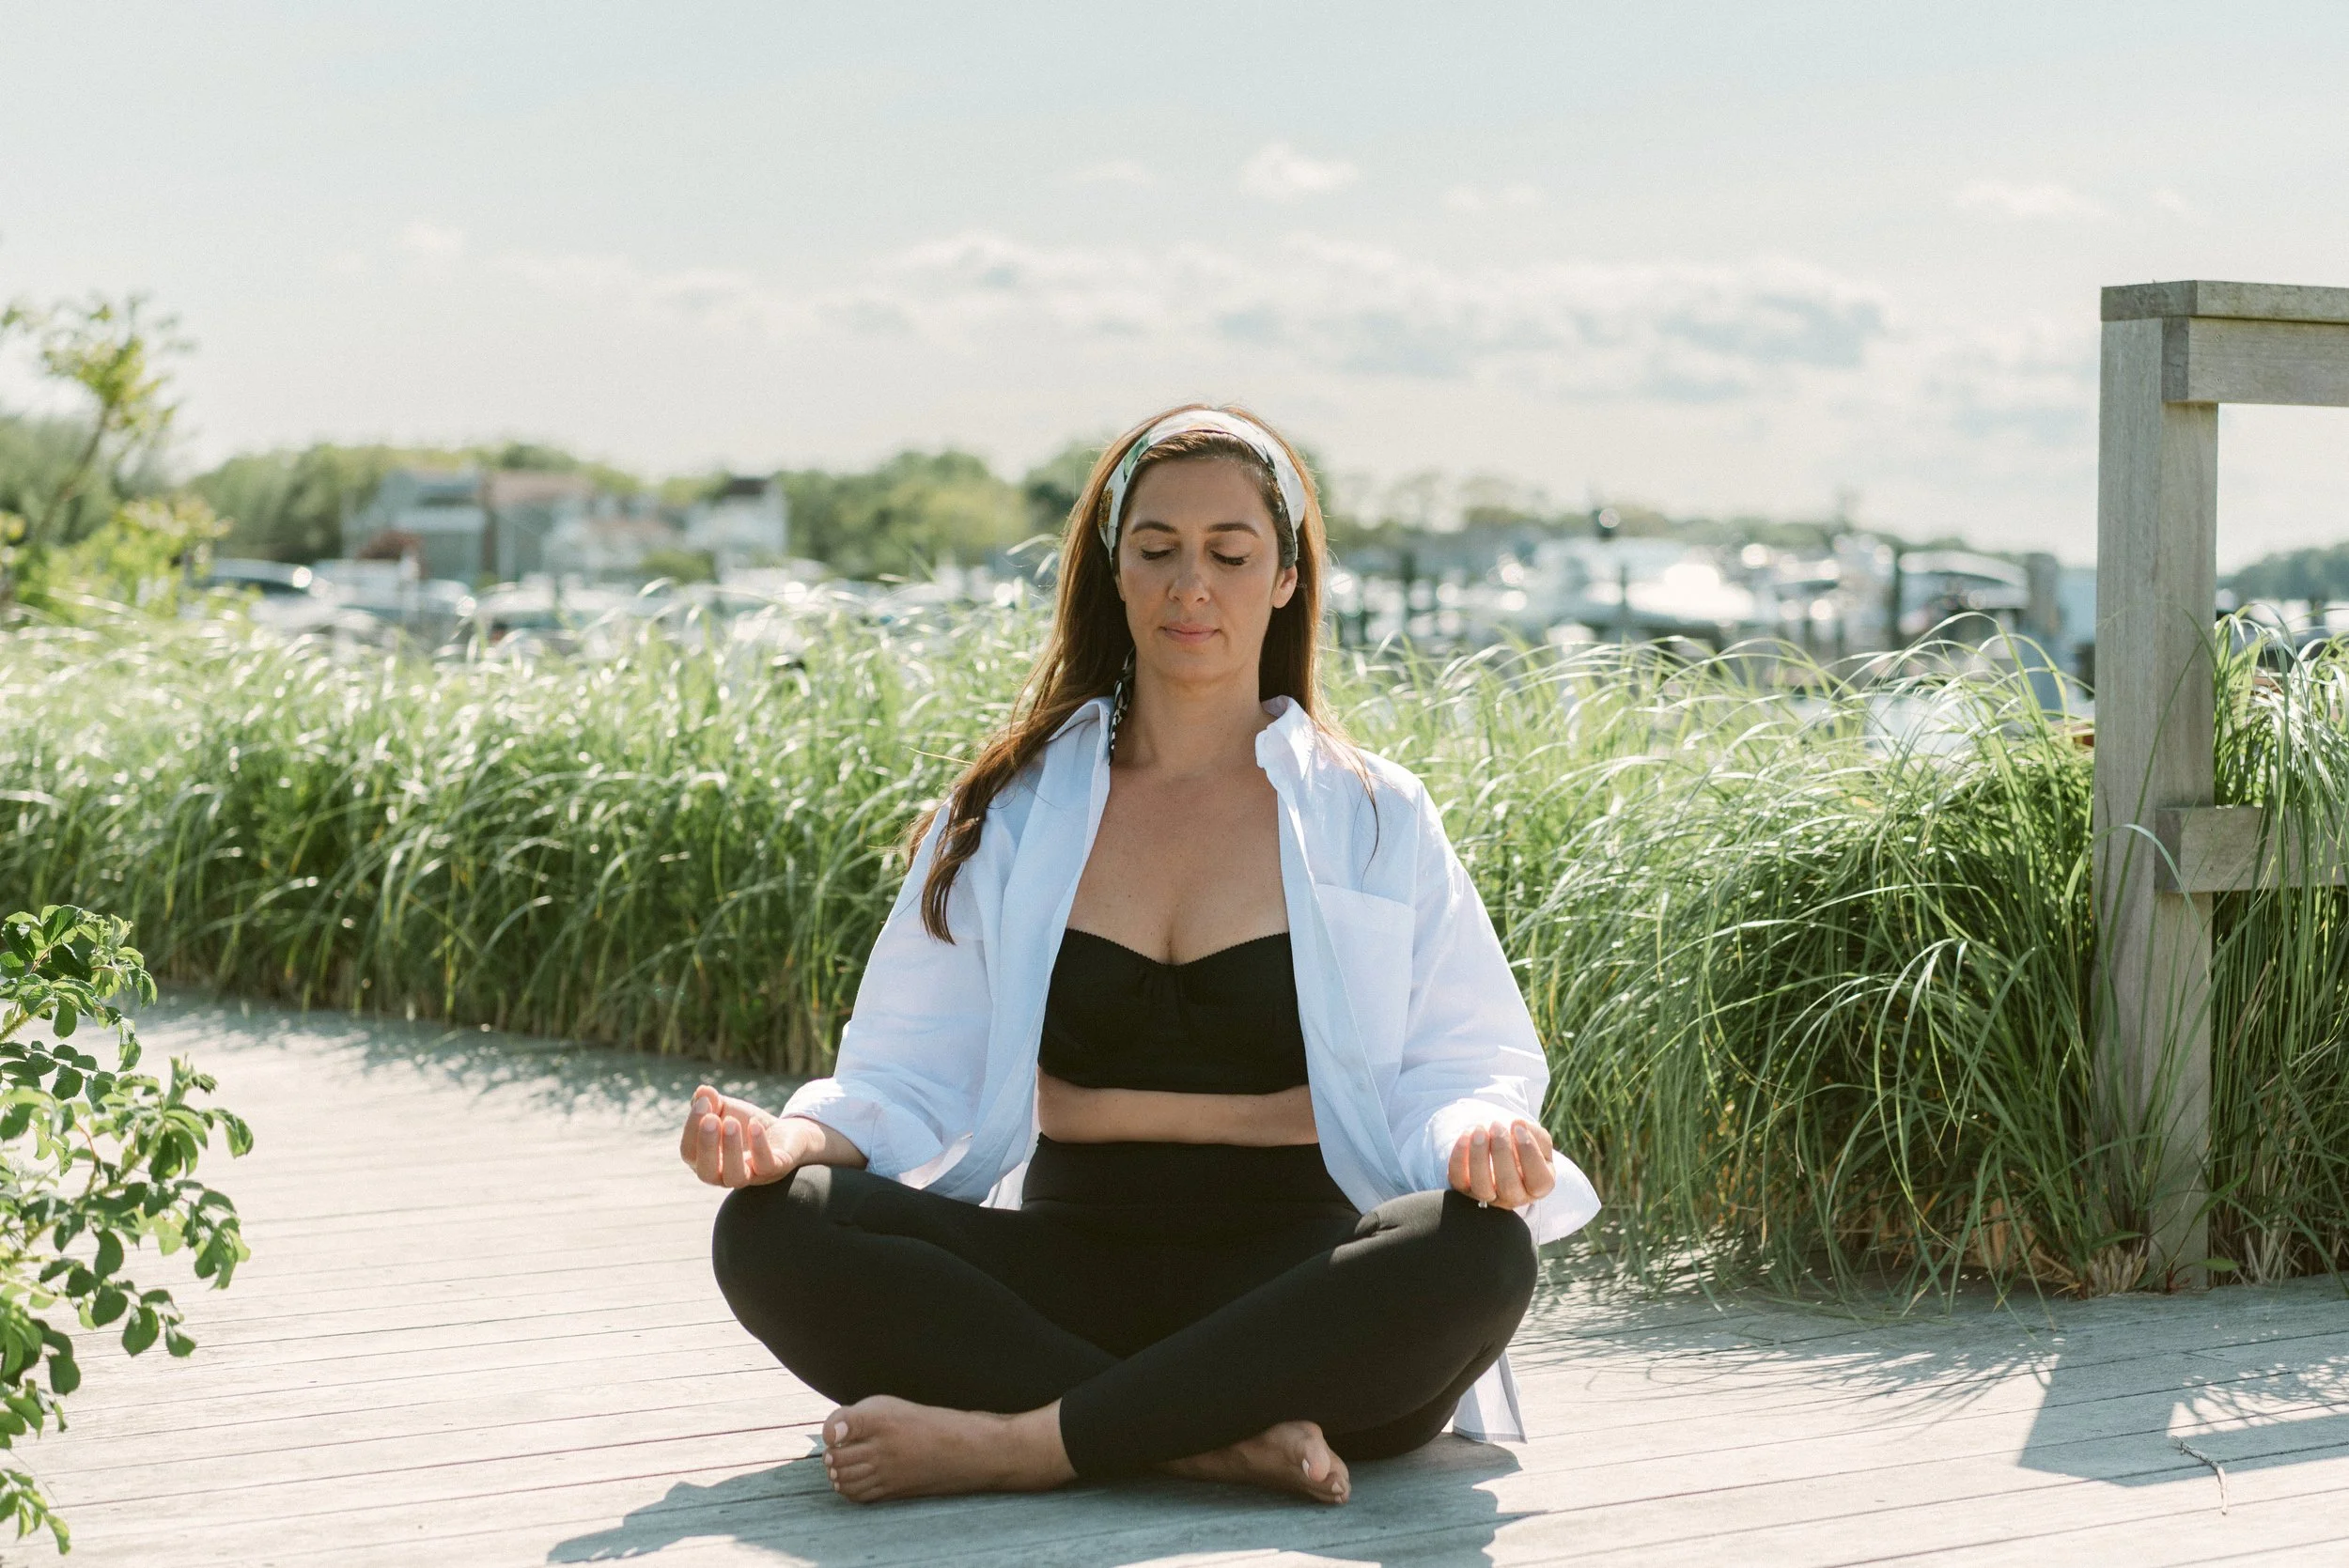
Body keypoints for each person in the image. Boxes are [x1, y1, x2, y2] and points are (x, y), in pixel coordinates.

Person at [681, 403, 1599, 1506]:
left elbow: (1459, 1062)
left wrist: (1479, 1132)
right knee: (777, 1227)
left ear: (1285, 577)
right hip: (1064, 1272)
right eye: (1156, 550)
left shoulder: (1371, 815)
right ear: (1114, 573)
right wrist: (784, 1136)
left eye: (1228, 552)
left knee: (1480, 1254)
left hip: (1300, 1287)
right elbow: (905, 1069)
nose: (1189, 585)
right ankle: (1206, 1440)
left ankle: (1017, 1443)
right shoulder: (1010, 810)